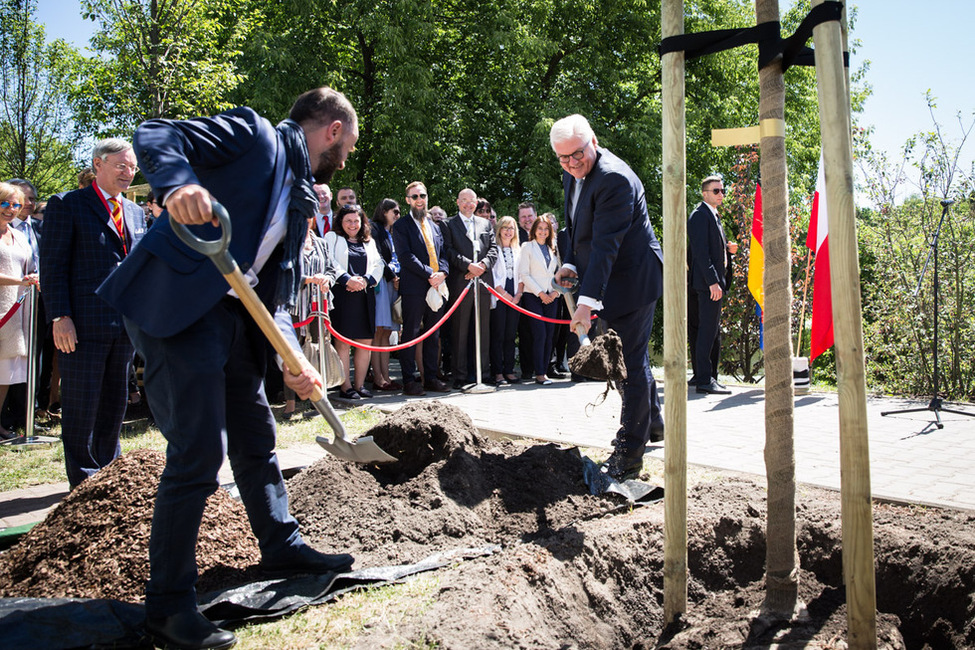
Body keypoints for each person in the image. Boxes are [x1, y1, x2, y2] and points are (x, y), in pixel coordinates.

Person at [96, 87, 359, 650]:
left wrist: (293, 359)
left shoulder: (301, 199)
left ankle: (281, 545)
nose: (349, 156)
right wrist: (180, 185)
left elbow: (276, 287)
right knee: (198, 450)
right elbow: (157, 133)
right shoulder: (257, 135)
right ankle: (168, 606)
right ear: (332, 130)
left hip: (237, 315)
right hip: (180, 304)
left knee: (256, 433)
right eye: (350, 143)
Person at [551, 114, 664, 481]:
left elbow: (605, 247)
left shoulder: (614, 178)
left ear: (594, 142)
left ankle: (629, 455)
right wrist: (569, 262)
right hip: (605, 278)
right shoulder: (573, 171)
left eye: (577, 155)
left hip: (632, 279)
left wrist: (586, 302)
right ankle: (654, 424)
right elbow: (573, 226)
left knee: (626, 362)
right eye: (563, 158)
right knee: (633, 355)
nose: (571, 164)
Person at [41, 139, 148, 488]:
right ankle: (84, 480)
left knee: (115, 403)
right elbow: (53, 267)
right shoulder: (67, 205)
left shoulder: (133, 211)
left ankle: (108, 471)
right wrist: (60, 316)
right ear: (98, 165)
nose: (128, 173)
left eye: (132, 167)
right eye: (121, 166)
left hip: (124, 325)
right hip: (82, 324)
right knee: (82, 404)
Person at [391, 181, 450, 396]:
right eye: (414, 196)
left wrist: (442, 273)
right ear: (408, 200)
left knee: (434, 334)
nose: (419, 200)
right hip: (415, 287)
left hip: (437, 287)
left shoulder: (434, 226)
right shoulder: (401, 226)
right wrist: (429, 274)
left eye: (422, 196)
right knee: (411, 334)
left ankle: (431, 378)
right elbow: (405, 257)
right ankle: (409, 380)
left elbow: (443, 253)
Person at [282, 213, 339, 418]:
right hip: (296, 306)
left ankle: (319, 400)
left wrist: (326, 279)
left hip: (320, 305)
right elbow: (285, 272)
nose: (304, 222)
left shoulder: (322, 243)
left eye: (308, 219)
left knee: (319, 348)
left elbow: (332, 269)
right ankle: (290, 404)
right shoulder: (288, 242)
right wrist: (308, 280)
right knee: (292, 353)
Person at [325, 204, 383, 399]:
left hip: (365, 296)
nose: (352, 224)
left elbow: (378, 264)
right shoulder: (332, 238)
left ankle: (359, 385)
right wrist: (346, 279)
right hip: (342, 295)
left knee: (364, 342)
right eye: (348, 220)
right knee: (342, 342)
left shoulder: (369, 241)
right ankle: (345, 386)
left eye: (356, 220)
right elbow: (330, 260)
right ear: (341, 221)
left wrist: (365, 280)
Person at [442, 188, 498, 388]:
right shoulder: (448, 224)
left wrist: (481, 267)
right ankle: (460, 376)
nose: (468, 204)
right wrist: (468, 266)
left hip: (482, 284)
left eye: (471, 201)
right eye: (464, 200)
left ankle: (482, 373)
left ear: (476, 203)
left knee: (482, 330)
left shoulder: (485, 223)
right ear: (457, 202)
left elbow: (493, 249)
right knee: (460, 330)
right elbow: (448, 250)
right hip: (461, 283)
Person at [688, 175, 736, 395]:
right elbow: (700, 254)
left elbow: (713, 249)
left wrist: (728, 250)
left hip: (714, 283)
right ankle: (704, 380)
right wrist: (713, 282)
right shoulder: (699, 215)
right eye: (716, 191)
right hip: (708, 285)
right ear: (705, 193)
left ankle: (705, 376)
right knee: (707, 332)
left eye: (722, 190)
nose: (721, 194)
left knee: (710, 331)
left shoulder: (713, 216)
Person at [0, 183, 39, 440]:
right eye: (5, 203)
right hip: (5, 307)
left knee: (4, 372)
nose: (11, 209)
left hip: (16, 311)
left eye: (15, 204)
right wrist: (20, 281)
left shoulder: (18, 234)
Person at [518, 216, 560, 385]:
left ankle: (544, 372)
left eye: (546, 229)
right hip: (534, 295)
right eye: (540, 228)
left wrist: (556, 293)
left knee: (550, 335)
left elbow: (561, 272)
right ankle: (540, 373)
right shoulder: (527, 247)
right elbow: (524, 274)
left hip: (553, 296)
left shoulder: (554, 248)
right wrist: (541, 293)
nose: (543, 232)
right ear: (534, 230)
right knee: (540, 334)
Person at [370, 198, 402, 392]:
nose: (397, 216)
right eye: (395, 212)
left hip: (393, 282)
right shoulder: (374, 229)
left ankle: (386, 376)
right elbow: (376, 256)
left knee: (388, 331)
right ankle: (378, 377)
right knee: (378, 331)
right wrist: (391, 276)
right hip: (381, 282)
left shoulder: (392, 232)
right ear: (384, 211)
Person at [489, 216, 522, 384]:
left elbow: (523, 274)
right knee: (498, 334)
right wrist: (503, 293)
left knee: (510, 335)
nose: (508, 231)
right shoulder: (494, 249)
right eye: (505, 228)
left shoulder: (518, 250)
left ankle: (509, 370)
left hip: (515, 296)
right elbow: (492, 275)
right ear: (499, 230)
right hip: (499, 295)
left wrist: (518, 295)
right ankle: (498, 372)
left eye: (512, 228)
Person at [515, 202, 538, 379]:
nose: (527, 220)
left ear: (535, 216)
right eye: (523, 217)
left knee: (543, 332)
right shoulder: (517, 237)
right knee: (525, 332)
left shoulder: (543, 235)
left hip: (542, 292)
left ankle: (544, 367)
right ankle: (527, 369)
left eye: (529, 216)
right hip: (522, 292)